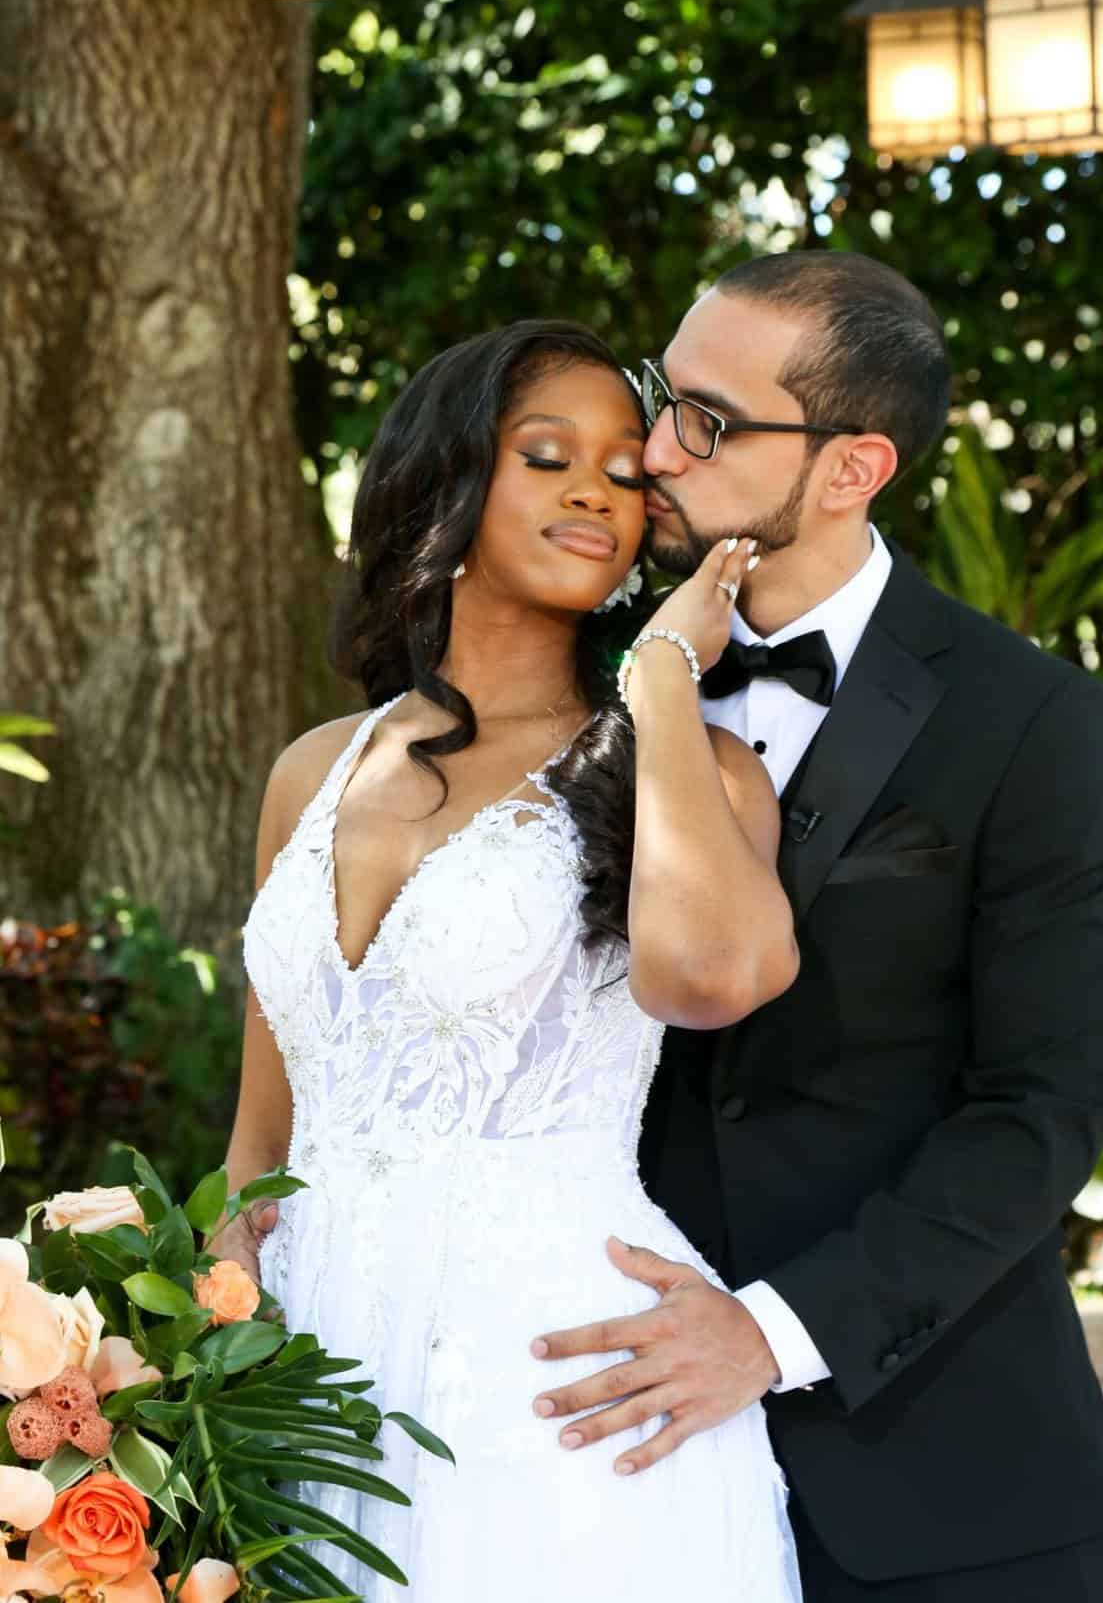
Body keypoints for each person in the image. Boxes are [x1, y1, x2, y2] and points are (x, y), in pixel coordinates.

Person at [526, 251, 1103, 1601]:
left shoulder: (1027, 718)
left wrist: (769, 1330)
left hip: (951, 1491)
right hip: (601, 1475)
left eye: (711, 420)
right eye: (659, 397)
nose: (654, 452)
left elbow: (1044, 1103)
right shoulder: (563, 682)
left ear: (854, 467)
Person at [218, 319, 806, 1602]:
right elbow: (266, 1128)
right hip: (298, 1387)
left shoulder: (690, 765)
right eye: (548, 455)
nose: (597, 488)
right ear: (449, 479)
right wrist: (201, 1326)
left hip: (558, 1383)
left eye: (625, 471)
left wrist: (661, 671)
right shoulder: (312, 769)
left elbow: (715, 977)